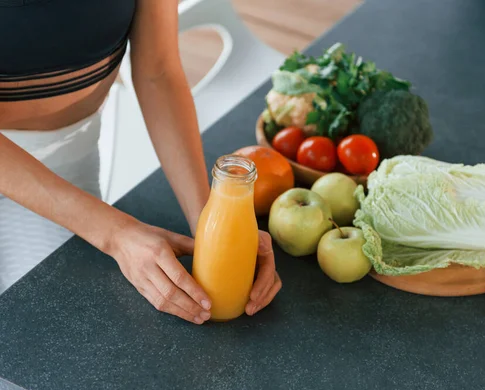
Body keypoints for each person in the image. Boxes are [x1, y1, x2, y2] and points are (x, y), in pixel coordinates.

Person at [0, 0, 281, 323]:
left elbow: (158, 71)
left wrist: (212, 225)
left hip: (66, 171)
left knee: (64, 328)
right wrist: (116, 233)